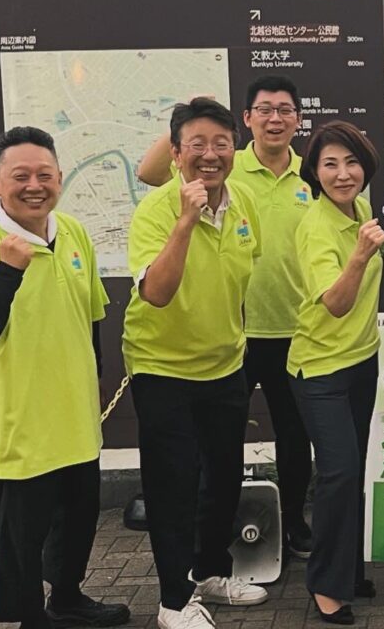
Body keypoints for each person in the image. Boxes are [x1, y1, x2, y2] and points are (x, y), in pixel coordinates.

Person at [0, 127, 130, 629]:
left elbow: (92, 313)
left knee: (77, 518)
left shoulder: (73, 232)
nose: (34, 185)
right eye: (20, 176)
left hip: (74, 414)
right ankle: (27, 615)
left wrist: (95, 379)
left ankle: (68, 596)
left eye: (45, 174)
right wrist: (7, 271)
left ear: (59, 178)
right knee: (22, 534)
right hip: (20, 421)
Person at [136, 76, 315, 557]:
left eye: (286, 110)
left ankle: (294, 522)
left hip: (295, 329)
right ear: (248, 120)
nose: (275, 118)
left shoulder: (313, 173)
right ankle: (202, 548)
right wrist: (195, 117)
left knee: (294, 438)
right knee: (214, 454)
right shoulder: (222, 171)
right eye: (264, 110)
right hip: (236, 335)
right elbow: (148, 173)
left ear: (298, 119)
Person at [123, 98, 267, 629]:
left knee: (224, 478)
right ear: (177, 153)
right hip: (163, 369)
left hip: (226, 365)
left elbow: (241, 275)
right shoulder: (156, 210)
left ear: (236, 148)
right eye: (197, 145)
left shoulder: (244, 200)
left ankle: (210, 572)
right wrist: (187, 220)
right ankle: (173, 601)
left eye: (221, 143)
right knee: (173, 485)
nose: (211, 154)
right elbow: (157, 293)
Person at [286, 120, 384, 625]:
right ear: (315, 173)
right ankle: (326, 583)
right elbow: (339, 303)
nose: (343, 173)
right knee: (339, 471)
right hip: (320, 367)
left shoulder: (360, 210)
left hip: (361, 360)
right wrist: (362, 255)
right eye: (330, 164)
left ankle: (348, 569)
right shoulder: (316, 227)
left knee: (352, 473)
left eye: (351, 162)